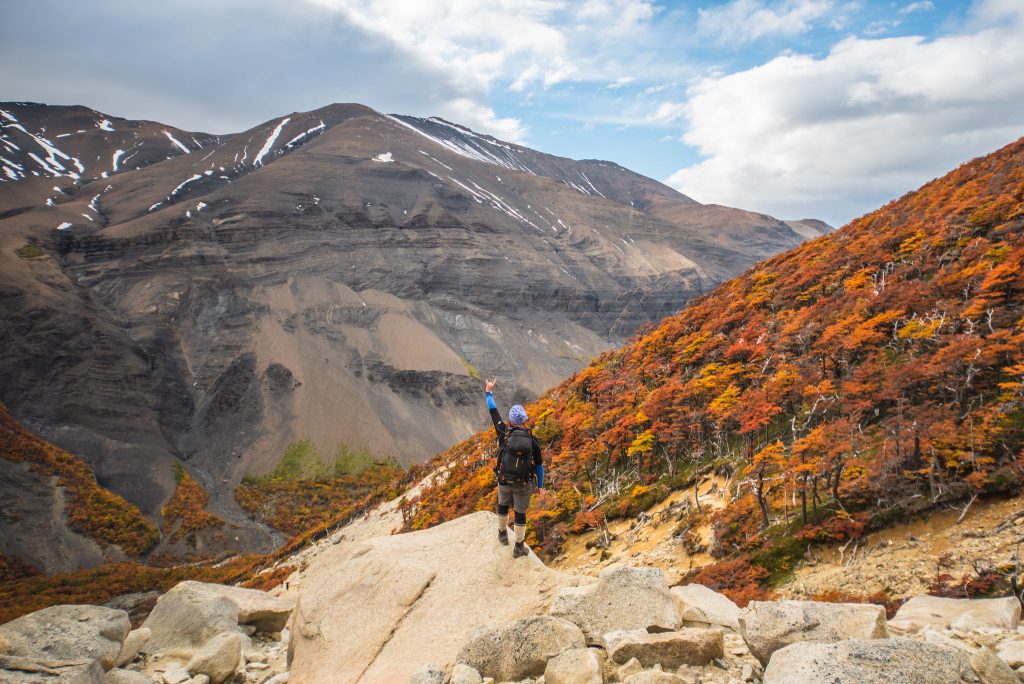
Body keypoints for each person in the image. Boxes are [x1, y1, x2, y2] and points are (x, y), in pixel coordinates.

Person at [485, 378, 544, 558]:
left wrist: (488, 392)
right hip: (523, 483)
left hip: (504, 480)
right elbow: (539, 466)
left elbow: (493, 412)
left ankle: (502, 534)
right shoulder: (532, 440)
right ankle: (518, 547)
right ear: (524, 420)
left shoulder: (503, 432)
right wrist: (540, 487)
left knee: (503, 505)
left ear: (510, 420)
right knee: (520, 513)